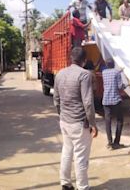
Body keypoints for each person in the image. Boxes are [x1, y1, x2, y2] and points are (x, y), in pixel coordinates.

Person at [53, 47, 98, 190]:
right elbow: (88, 102)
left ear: (70, 58)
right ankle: (83, 187)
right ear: (84, 61)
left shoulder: (60, 74)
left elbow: (56, 98)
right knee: (80, 156)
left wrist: (62, 115)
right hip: (79, 123)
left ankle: (65, 183)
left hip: (65, 121)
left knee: (67, 151)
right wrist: (93, 123)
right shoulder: (84, 75)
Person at [102, 59, 125, 150]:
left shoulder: (104, 72)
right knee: (119, 120)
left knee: (108, 121)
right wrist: (125, 85)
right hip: (116, 100)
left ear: (106, 65)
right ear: (114, 64)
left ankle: (109, 142)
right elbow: (120, 86)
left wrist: (119, 71)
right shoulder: (117, 73)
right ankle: (116, 142)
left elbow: (112, 74)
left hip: (106, 100)